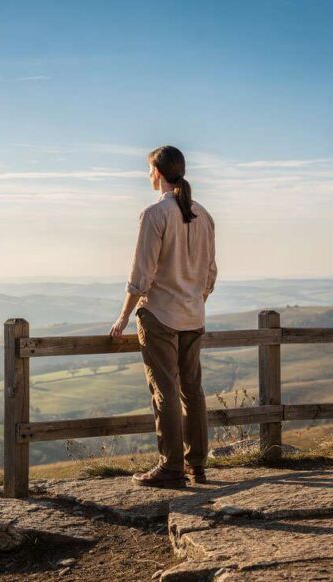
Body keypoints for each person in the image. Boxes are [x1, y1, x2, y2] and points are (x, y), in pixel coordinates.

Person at [108, 145, 216, 488]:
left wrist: (124, 316)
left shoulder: (154, 215)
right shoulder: (204, 215)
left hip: (160, 315)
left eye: (148, 170)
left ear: (157, 173)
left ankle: (170, 468)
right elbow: (210, 274)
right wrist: (195, 299)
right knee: (192, 390)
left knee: (165, 391)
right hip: (193, 315)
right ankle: (196, 465)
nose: (147, 176)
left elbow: (141, 275)